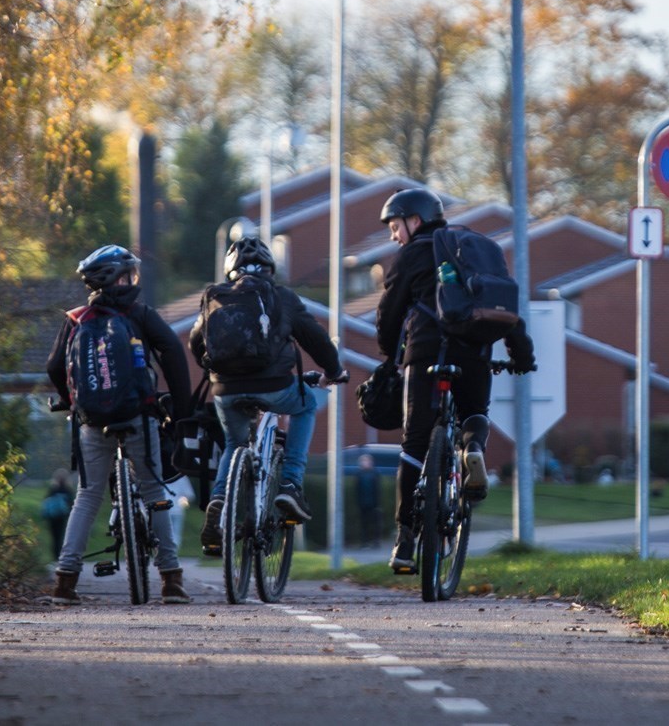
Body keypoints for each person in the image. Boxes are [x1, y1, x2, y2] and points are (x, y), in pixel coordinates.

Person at [374, 187, 535, 573]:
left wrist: (390, 354)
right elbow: (501, 305)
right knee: (474, 411)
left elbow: (390, 313)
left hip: (426, 350)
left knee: (414, 442)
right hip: (474, 351)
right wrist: (521, 355)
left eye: (396, 226)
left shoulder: (411, 254)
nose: (394, 235)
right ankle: (471, 449)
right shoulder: (474, 248)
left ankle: (405, 540)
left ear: (415, 220)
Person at [45, 244, 195, 605]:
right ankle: (171, 579)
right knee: (155, 492)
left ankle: (65, 581)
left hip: (92, 421)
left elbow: (53, 367)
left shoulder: (77, 318)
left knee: (87, 495)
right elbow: (173, 354)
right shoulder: (140, 313)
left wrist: (70, 401)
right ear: (122, 277)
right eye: (131, 273)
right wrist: (181, 409)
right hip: (138, 418)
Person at [191, 235, 346, 554]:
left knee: (234, 443)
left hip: (226, 389)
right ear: (269, 269)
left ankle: (219, 500)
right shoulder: (281, 296)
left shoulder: (215, 298)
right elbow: (315, 337)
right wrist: (334, 371)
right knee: (305, 405)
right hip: (274, 385)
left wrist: (214, 371)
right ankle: (290, 484)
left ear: (229, 271)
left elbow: (196, 341)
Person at [41, 468, 74, 559]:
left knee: (54, 537)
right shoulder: (68, 490)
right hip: (62, 516)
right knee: (61, 536)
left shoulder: (53, 489)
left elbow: (46, 501)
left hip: (52, 517)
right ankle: (62, 555)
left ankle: (55, 556)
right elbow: (71, 504)